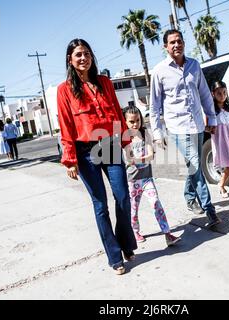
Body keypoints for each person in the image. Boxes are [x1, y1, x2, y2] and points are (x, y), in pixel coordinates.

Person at [57, 38, 137, 275]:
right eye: (78, 55)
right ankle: (115, 256)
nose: (84, 58)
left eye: (87, 53)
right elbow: (66, 124)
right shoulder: (64, 90)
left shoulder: (104, 82)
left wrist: (125, 142)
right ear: (70, 60)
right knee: (100, 204)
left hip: (110, 143)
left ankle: (126, 244)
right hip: (84, 152)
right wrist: (69, 159)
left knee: (123, 197)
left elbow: (117, 114)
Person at [149, 29, 221, 228]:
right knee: (196, 164)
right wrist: (157, 133)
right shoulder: (159, 71)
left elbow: (205, 93)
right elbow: (154, 106)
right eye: (172, 42)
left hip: (197, 124)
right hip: (177, 127)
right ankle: (210, 210)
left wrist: (212, 119)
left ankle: (189, 196)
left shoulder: (194, 65)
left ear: (183, 43)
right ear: (165, 46)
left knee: (193, 166)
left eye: (179, 41)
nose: (176, 45)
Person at [122, 106, 181, 246]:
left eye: (137, 120)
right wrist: (140, 159)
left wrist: (137, 160)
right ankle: (135, 231)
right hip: (132, 180)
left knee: (156, 203)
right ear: (125, 122)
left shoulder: (145, 134)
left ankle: (167, 234)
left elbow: (150, 156)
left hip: (147, 178)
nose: (135, 124)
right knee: (133, 209)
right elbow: (128, 158)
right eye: (131, 121)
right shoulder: (125, 138)